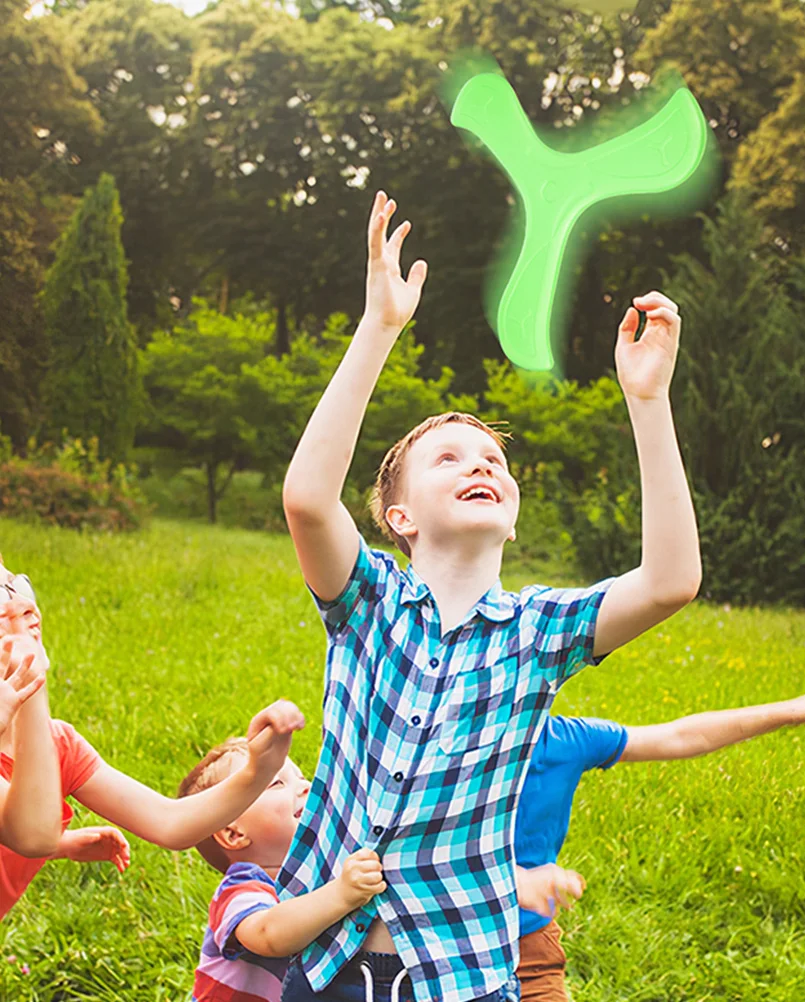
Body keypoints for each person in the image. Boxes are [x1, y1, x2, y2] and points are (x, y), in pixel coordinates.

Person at [278, 189, 702, 1002]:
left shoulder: (538, 632)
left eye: (494, 462)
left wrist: (648, 403)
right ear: (399, 518)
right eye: (448, 458)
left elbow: (671, 582)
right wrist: (379, 326)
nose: (480, 464)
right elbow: (306, 499)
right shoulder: (368, 602)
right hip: (327, 961)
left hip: (462, 976)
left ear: (509, 516)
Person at [514, 680, 805, 1001]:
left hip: (528, 946)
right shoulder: (476, 747)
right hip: (477, 937)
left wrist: (793, 708)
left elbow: (680, 736)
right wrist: (518, 882)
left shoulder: (565, 741)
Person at [0, 554, 304, 920]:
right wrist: (32, 681)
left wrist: (258, 772)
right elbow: (33, 835)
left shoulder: (58, 744)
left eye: (14, 584)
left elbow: (170, 823)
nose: (21, 604)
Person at [180, 737, 586, 1002]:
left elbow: (413, 866)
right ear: (232, 832)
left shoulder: (327, 861)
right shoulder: (242, 888)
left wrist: (518, 881)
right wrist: (341, 894)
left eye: (301, 775)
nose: (306, 786)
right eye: (275, 784)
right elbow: (269, 935)